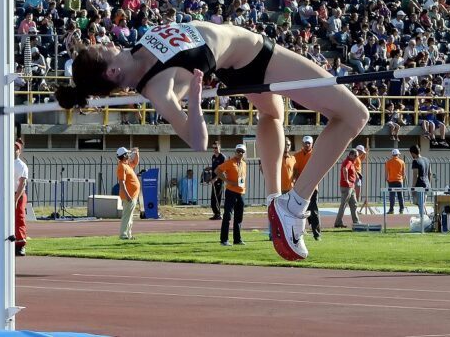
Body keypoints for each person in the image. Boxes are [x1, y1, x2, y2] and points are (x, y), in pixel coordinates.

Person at [55, 21, 369, 261]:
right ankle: (295, 203)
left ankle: (276, 198)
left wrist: (79, 53)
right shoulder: (157, 90)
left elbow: (90, 61)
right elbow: (197, 141)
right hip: (258, 55)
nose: (110, 42)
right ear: (112, 71)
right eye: (106, 47)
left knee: (273, 114)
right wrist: (193, 98)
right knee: (355, 115)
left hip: (236, 66)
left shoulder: (137, 48)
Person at [211, 144, 248, 246]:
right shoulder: (230, 162)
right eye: (238, 151)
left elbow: (242, 178)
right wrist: (227, 181)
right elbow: (217, 170)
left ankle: (237, 239)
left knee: (239, 217)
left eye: (242, 152)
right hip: (231, 192)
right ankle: (224, 240)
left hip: (241, 193)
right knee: (227, 215)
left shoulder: (244, 164)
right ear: (235, 152)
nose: (240, 153)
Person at [293, 136, 320, 240]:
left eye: (309, 143)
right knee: (300, 211)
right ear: (302, 144)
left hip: (312, 187)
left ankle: (317, 234)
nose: (307, 145)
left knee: (314, 211)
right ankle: (299, 232)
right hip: (300, 187)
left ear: (312, 144)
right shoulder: (296, 156)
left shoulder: (315, 155)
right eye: (305, 143)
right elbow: (294, 170)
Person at [116, 146, 140, 240]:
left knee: (130, 217)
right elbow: (121, 182)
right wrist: (127, 195)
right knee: (127, 216)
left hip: (132, 195)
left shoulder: (126, 164)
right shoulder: (122, 166)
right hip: (129, 196)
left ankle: (128, 234)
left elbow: (135, 162)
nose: (129, 155)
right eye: (127, 154)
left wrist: (137, 153)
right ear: (124, 155)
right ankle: (123, 235)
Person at [334, 149, 360, 228]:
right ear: (351, 155)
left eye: (357, 156)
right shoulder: (348, 161)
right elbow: (345, 169)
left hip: (351, 187)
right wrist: (347, 180)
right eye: (355, 156)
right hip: (347, 187)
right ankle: (338, 223)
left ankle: (356, 221)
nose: (356, 157)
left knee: (354, 204)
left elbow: (351, 170)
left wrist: (356, 175)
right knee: (344, 205)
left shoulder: (351, 162)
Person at [410, 145, 431, 216]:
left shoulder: (415, 161)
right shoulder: (426, 160)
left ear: (412, 153)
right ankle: (425, 218)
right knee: (423, 203)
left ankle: (423, 220)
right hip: (427, 184)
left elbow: (415, 175)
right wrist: (429, 184)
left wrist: (413, 188)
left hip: (419, 185)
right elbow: (430, 173)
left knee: (419, 203)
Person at [385, 148, 406, 215]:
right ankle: (401, 209)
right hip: (399, 181)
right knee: (400, 196)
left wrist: (386, 179)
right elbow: (403, 173)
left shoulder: (388, 162)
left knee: (392, 196)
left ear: (392, 154)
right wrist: (403, 179)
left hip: (391, 181)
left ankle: (391, 209)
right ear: (398, 154)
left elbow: (386, 172)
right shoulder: (402, 162)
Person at [209, 141, 226, 220]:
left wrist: (215, 179)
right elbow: (214, 168)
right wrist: (209, 169)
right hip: (213, 180)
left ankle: (218, 214)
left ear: (219, 147)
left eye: (216, 148)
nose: (214, 149)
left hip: (219, 180)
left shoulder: (222, 157)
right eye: (213, 148)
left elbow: (222, 170)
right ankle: (215, 213)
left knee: (217, 197)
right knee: (213, 198)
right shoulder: (213, 157)